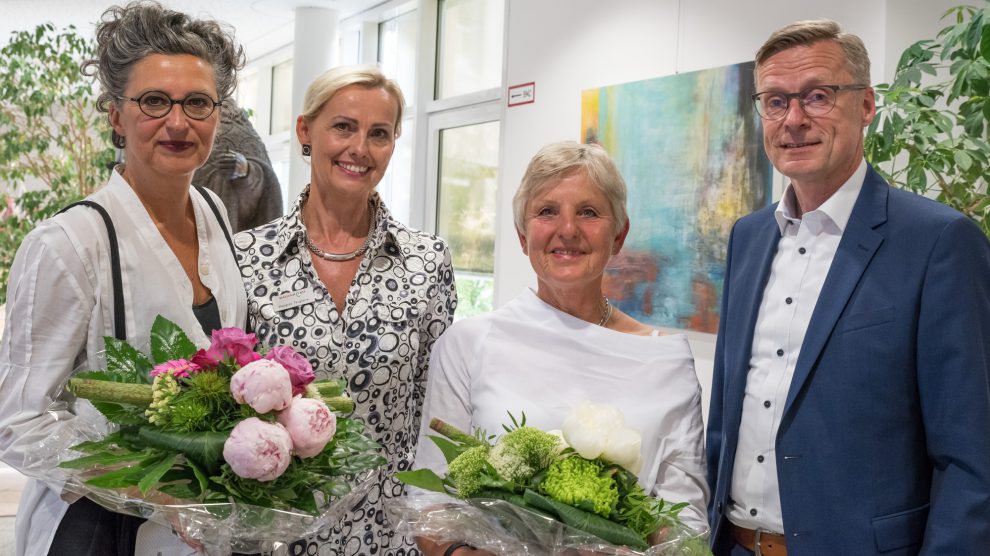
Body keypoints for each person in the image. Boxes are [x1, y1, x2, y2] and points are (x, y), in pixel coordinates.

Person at [705, 19, 990, 556]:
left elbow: (971, 459)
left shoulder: (938, 243)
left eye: (818, 96)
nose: (794, 120)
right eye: (775, 101)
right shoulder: (748, 237)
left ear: (865, 107)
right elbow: (727, 413)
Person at [0, 2, 247, 555]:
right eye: (154, 101)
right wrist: (149, 489)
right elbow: (18, 421)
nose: (178, 122)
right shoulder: (67, 244)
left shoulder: (215, 214)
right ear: (116, 115)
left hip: (203, 529)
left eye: (197, 102)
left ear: (218, 114)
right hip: (98, 530)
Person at [414, 141, 710, 556]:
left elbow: (688, 520)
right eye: (547, 211)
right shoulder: (468, 344)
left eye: (588, 212)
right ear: (522, 235)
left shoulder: (667, 360)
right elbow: (430, 504)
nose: (567, 229)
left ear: (618, 236)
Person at [235, 65, 457, 556]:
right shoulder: (246, 258)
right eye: (343, 126)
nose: (360, 147)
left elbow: (437, 408)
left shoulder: (426, 261)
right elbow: (226, 402)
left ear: (394, 143)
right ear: (305, 132)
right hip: (275, 531)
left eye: (379, 133)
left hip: (390, 532)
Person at [193, 98, 284, 232]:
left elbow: (264, 186)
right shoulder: (192, 124)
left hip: (235, 231)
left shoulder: (245, 131)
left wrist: (245, 170)